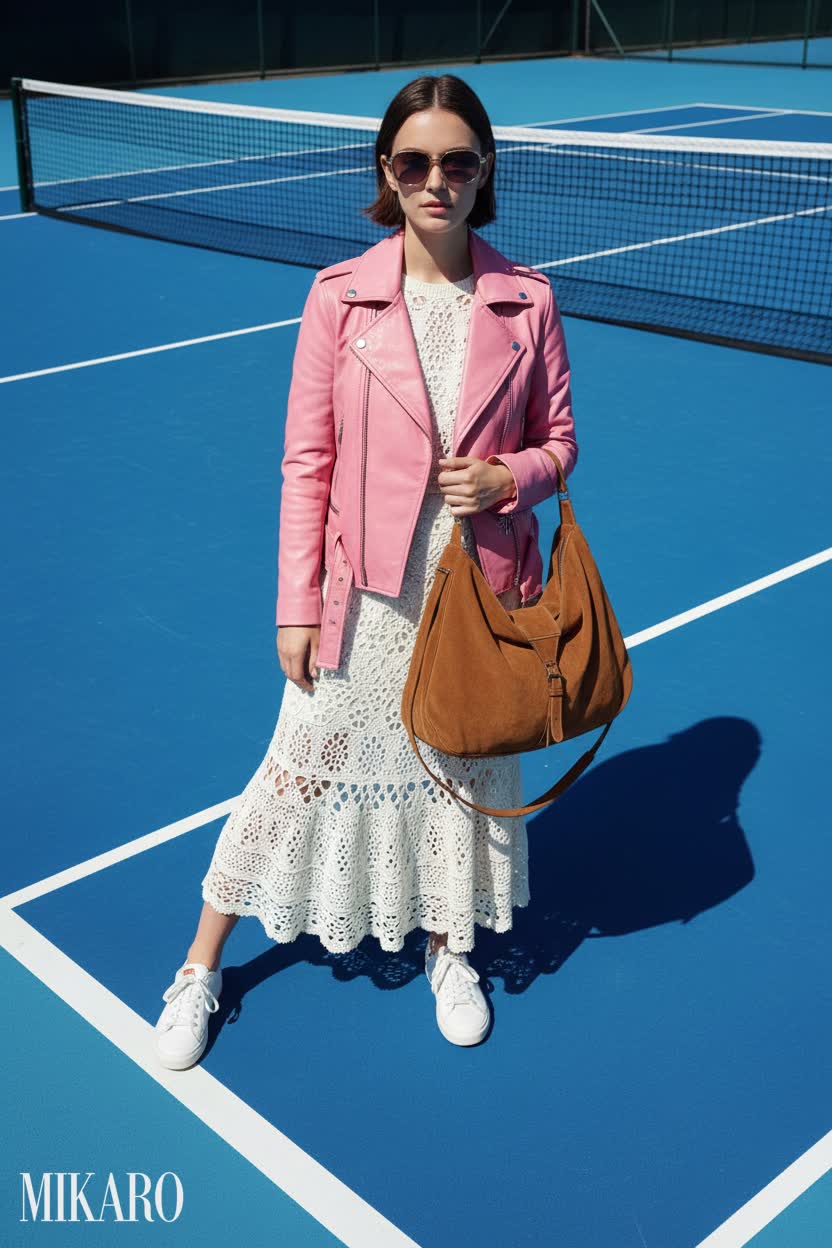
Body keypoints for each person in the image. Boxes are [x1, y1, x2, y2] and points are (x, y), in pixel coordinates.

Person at [154, 72, 578, 1067]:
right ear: (386, 172)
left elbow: (561, 444)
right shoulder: (338, 299)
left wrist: (508, 475)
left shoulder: (528, 302)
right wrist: (293, 606)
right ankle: (198, 969)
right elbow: (307, 462)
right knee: (295, 772)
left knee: (454, 776)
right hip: (362, 599)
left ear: (485, 172)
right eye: (415, 161)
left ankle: (448, 945)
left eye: (459, 161)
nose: (438, 180)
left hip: (478, 592)